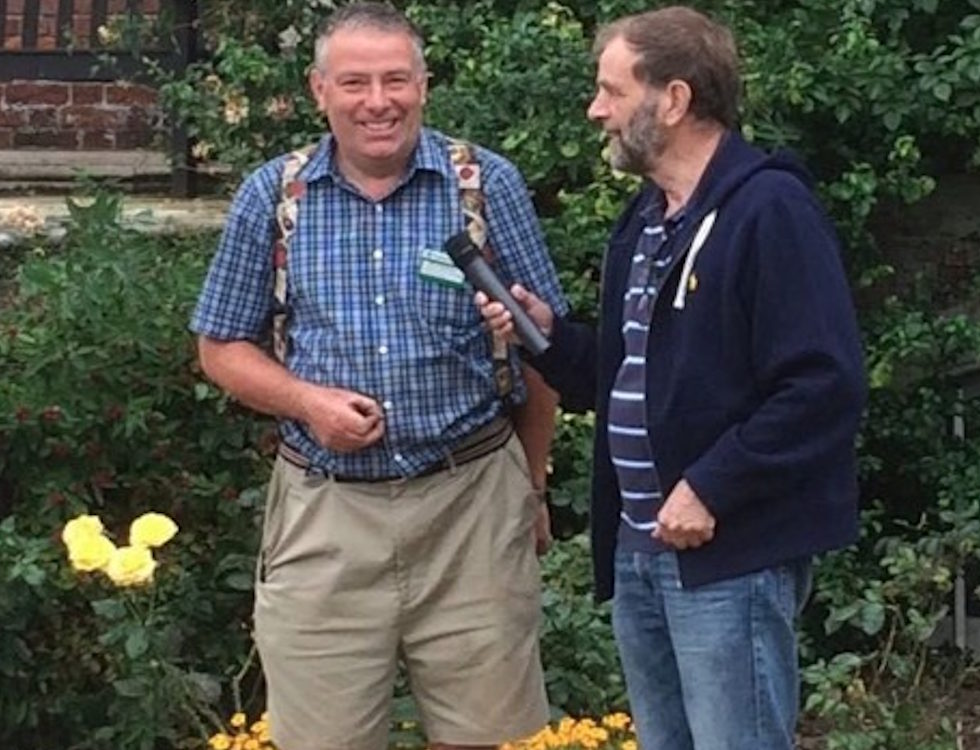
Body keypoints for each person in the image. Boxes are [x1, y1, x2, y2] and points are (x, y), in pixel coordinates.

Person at [476, 6, 867, 750]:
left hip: (728, 557)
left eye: (612, 92)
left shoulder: (769, 210)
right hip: (641, 554)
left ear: (676, 99)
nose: (597, 111)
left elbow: (824, 386)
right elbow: (626, 379)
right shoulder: (648, 219)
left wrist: (711, 486)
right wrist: (547, 338)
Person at [190, 4, 567, 750]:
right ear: (318, 90)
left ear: (424, 85)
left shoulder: (485, 184)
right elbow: (220, 346)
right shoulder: (275, 195)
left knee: (496, 738)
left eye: (396, 79)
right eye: (355, 82)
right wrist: (306, 401)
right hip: (325, 515)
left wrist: (532, 483)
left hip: (471, 506)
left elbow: (547, 346)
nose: (377, 101)